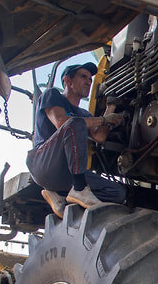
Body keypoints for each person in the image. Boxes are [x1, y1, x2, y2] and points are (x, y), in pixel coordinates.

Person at [26, 62, 127, 217]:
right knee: (74, 123)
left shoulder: (83, 114)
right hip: (42, 162)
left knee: (118, 193)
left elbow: (99, 137)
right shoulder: (51, 95)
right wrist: (103, 119)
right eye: (83, 76)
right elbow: (61, 122)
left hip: (68, 172)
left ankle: (59, 196)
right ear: (68, 81)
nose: (89, 81)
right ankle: (79, 189)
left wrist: (111, 106)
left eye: (90, 79)